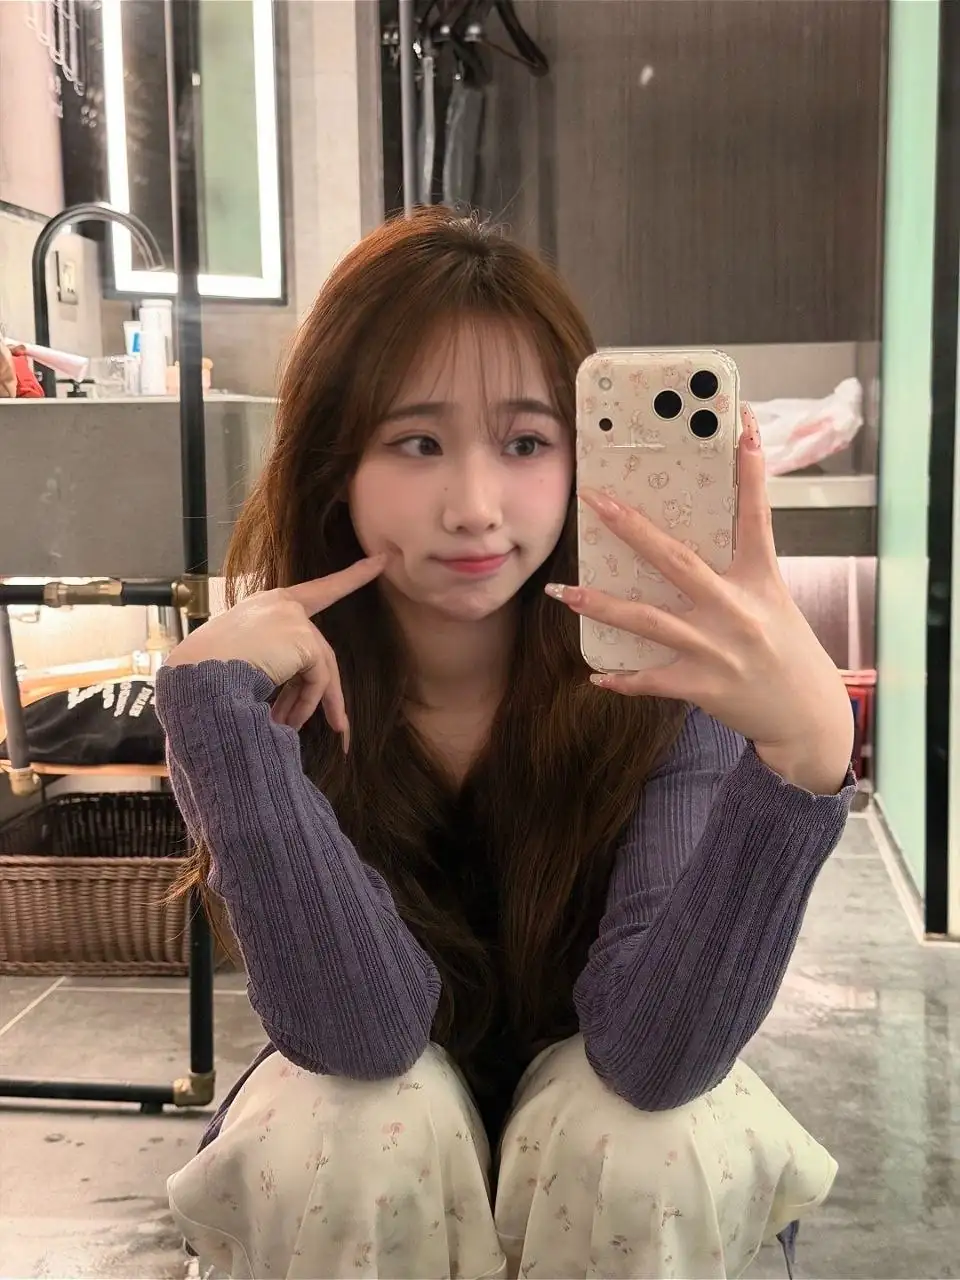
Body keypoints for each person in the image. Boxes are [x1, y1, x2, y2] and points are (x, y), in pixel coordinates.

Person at [156, 207, 855, 1280]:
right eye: (417, 442)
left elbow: (656, 1060)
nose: (476, 509)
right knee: (353, 1120)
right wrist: (216, 719)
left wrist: (802, 766)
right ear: (337, 464)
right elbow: (358, 1040)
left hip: (614, 1124)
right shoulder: (266, 693)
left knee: (648, 1138)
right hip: (365, 1141)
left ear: (581, 458)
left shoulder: (670, 687)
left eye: (526, 443)